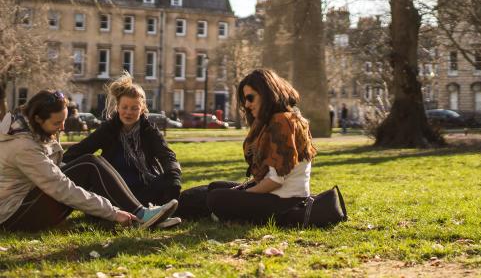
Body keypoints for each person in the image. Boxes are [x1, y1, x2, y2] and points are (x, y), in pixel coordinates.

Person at [0, 89, 178, 231]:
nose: (62, 127)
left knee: (89, 164)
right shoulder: (24, 146)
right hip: (13, 215)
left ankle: (143, 215)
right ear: (38, 118)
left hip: (27, 200)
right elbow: (61, 187)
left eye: (64, 120)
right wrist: (113, 213)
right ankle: (141, 214)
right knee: (89, 164)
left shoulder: (34, 130)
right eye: (57, 123)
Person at [179, 68, 316, 224]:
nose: (247, 104)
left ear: (267, 94)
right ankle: (201, 211)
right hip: (279, 195)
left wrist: (245, 194)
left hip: (286, 202)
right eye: (245, 100)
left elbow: (275, 181)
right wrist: (240, 192)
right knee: (214, 187)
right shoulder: (278, 120)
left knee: (216, 198)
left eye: (251, 98)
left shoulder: (282, 122)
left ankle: (213, 212)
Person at [63, 73, 182, 209]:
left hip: (145, 185)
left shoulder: (149, 130)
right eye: (124, 107)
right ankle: (140, 210)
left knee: (169, 181)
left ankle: (147, 209)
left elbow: (167, 155)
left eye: (134, 108)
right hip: (116, 189)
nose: (128, 112)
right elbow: (82, 149)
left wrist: (174, 177)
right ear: (117, 107)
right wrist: (58, 165)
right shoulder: (108, 129)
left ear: (142, 109)